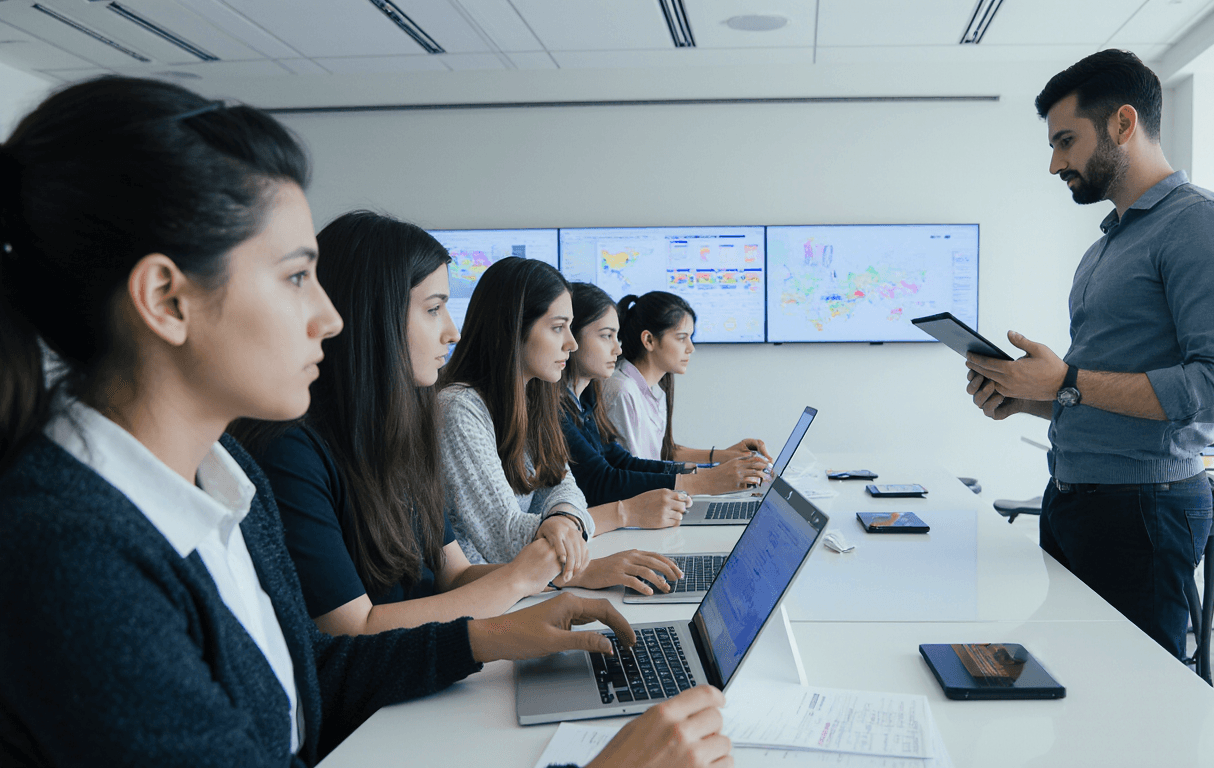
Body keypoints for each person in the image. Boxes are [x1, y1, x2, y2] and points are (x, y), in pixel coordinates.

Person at [0, 76, 729, 766]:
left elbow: (311, 673)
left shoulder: (224, 475)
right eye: (294, 277)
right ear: (166, 298)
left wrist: (490, 637)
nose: (331, 316)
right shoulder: (66, 553)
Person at [962, 50, 1214, 660]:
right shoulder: (1108, 245)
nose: (1055, 164)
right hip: (1075, 498)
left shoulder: (1204, 224)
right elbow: (1107, 391)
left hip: (1143, 511)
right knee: (1077, 688)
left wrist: (1067, 379)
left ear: (1124, 124)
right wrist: (1032, 399)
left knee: (1143, 709)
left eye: (1066, 141)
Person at [237, 211, 568, 636]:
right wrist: (518, 580)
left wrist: (558, 580)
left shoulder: (404, 432)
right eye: (434, 310)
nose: (453, 333)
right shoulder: (291, 451)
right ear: (374, 317)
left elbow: (452, 576)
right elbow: (354, 628)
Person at [436, 258, 687, 594]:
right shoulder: (459, 409)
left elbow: (565, 486)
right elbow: (506, 539)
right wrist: (582, 561)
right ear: (513, 329)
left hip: (527, 589)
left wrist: (562, 519)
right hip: (483, 599)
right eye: (558, 328)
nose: (571, 343)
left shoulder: (531, 399)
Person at [560, 282, 771, 506]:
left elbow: (622, 461)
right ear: (649, 340)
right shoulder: (618, 390)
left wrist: (712, 467)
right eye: (606, 336)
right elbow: (606, 481)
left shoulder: (586, 400)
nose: (618, 349)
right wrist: (709, 478)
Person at [605, 291, 771, 490]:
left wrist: (726, 456)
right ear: (649, 340)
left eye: (690, 337)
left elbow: (663, 453)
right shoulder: (623, 391)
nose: (691, 348)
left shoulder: (653, 388)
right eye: (681, 338)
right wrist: (712, 478)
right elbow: (634, 470)